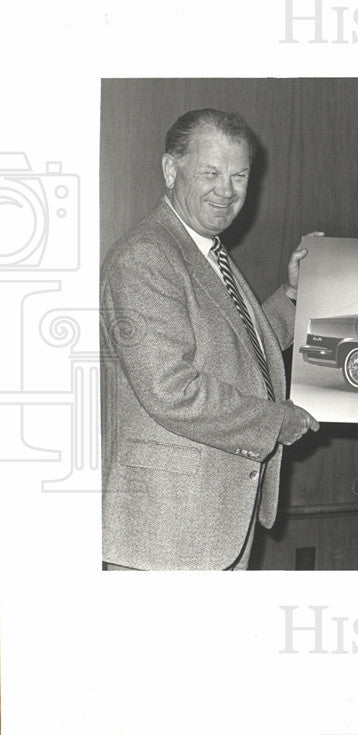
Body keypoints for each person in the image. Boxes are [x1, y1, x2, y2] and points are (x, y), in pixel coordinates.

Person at [101, 108, 320, 570]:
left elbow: (237, 347)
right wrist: (273, 421)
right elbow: (171, 390)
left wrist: (294, 296)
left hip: (205, 522)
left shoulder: (204, 251)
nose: (227, 191)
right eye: (211, 173)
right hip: (164, 531)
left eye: (239, 176)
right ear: (170, 169)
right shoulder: (146, 256)